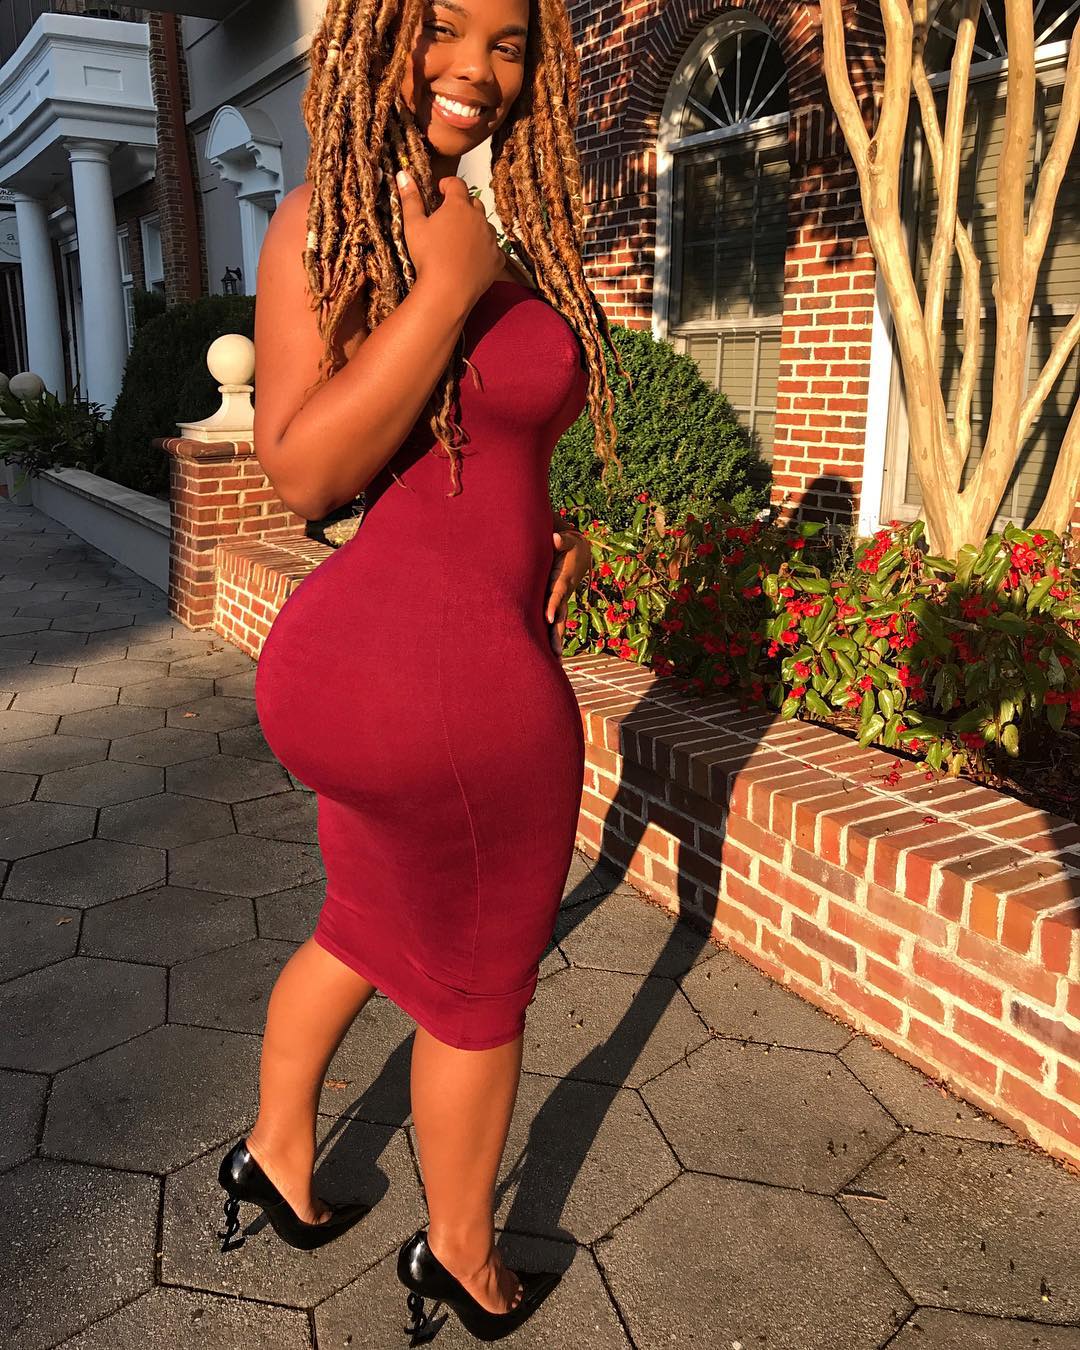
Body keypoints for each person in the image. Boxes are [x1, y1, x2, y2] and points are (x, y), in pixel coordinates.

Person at [215, 0, 631, 1339]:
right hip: (443, 684)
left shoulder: (458, 218)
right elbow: (301, 471)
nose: (477, 68)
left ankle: (277, 1155)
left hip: (362, 664)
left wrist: (546, 527)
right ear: (378, 35)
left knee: (357, 922)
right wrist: (449, 288)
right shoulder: (339, 229)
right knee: (478, 986)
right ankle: (462, 1257)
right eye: (444, 27)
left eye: (509, 43)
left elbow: (475, 449)